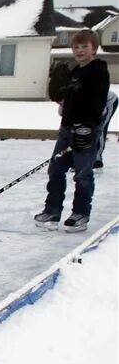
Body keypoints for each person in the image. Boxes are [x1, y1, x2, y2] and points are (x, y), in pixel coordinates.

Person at [35, 29, 111, 233]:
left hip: (85, 131)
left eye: (84, 46)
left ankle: (80, 214)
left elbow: (97, 101)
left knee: (82, 174)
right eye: (76, 47)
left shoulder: (98, 71)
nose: (79, 50)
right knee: (56, 169)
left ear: (94, 48)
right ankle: (52, 211)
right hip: (67, 130)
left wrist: (86, 127)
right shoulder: (75, 71)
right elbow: (70, 96)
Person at [94, 89, 117, 169]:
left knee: (101, 128)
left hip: (109, 102)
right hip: (97, 104)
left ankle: (97, 159)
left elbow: (102, 112)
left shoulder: (92, 98)